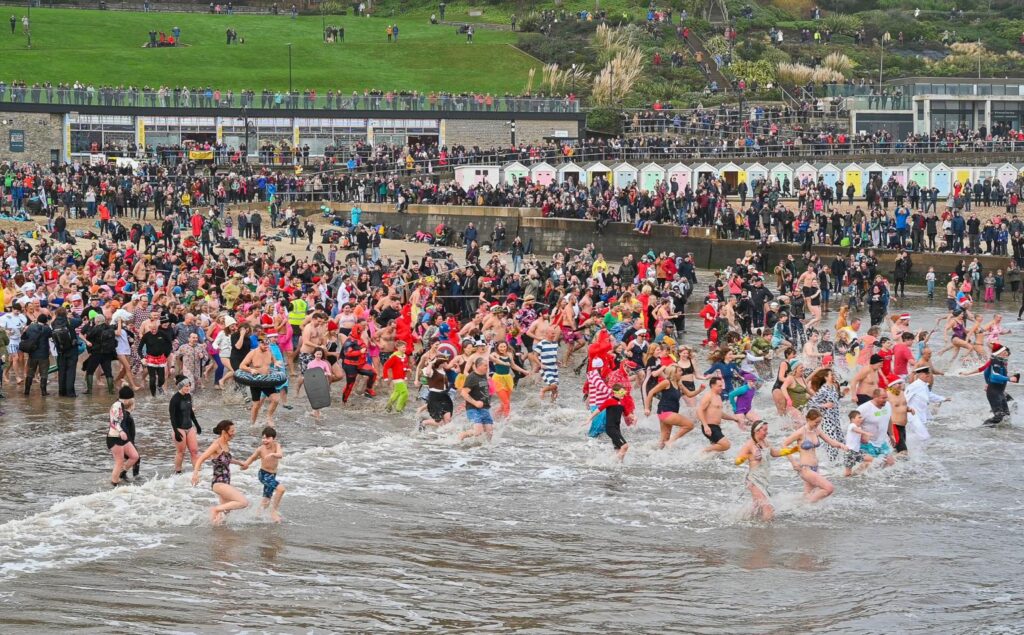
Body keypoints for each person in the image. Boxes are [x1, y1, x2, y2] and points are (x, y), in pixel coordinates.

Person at [734, 420, 797, 521]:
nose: (767, 432)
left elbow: (775, 453)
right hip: (753, 480)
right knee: (768, 508)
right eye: (765, 430)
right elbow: (736, 461)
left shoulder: (765, 442)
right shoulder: (749, 444)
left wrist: (792, 450)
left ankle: (743, 522)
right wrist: (745, 457)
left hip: (764, 479)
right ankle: (766, 532)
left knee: (757, 508)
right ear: (757, 431)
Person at [782, 409, 847, 503]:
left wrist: (841, 445)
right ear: (808, 419)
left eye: (819, 422)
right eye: (816, 422)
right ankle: (803, 506)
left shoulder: (817, 431)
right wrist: (793, 462)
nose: (817, 424)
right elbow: (784, 444)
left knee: (808, 495)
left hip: (815, 468)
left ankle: (795, 508)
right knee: (829, 488)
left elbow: (831, 442)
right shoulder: (800, 432)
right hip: (805, 469)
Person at [191, 420, 249, 525]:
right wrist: (195, 474)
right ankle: (215, 509)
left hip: (226, 481)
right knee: (243, 502)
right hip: (219, 482)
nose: (234, 433)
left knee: (224, 517)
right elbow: (201, 458)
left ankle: (218, 535)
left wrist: (240, 463)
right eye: (232, 431)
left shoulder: (226, 444)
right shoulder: (216, 445)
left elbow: (225, 459)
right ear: (223, 432)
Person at [241, 426, 286, 523]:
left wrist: (272, 454)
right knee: (281, 489)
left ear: (273, 439)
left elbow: (280, 455)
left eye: (268, 438)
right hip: (263, 474)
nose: (265, 440)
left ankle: (255, 517)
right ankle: (273, 511)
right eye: (263, 438)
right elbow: (252, 457)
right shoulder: (260, 449)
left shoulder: (276, 445)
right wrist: (246, 465)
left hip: (272, 475)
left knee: (266, 501)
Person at [239, 335, 283, 426]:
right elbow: (242, 366)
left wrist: (276, 363)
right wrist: (251, 370)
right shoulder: (253, 353)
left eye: (267, 345)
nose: (266, 347)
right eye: (264, 345)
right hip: (255, 381)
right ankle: (252, 424)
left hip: (267, 380)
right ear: (259, 343)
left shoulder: (269, 351)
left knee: (276, 399)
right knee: (256, 405)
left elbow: (274, 361)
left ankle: (269, 417)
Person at [695, 377, 740, 453]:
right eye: (719, 386)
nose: (722, 388)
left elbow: (720, 414)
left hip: (716, 427)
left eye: (722, 385)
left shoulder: (718, 397)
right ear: (712, 385)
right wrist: (705, 426)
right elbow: (699, 410)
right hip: (710, 427)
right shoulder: (708, 396)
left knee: (716, 452)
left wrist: (734, 419)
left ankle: (703, 457)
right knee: (726, 445)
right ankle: (702, 451)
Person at [107, 386, 140, 486]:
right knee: (119, 461)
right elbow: (113, 422)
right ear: (127, 399)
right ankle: (114, 483)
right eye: (131, 399)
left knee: (135, 456)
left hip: (122, 437)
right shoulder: (116, 406)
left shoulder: (121, 405)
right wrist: (121, 431)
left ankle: (121, 473)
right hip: (114, 437)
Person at [169, 374, 202, 473]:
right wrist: (176, 431)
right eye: (186, 386)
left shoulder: (188, 396)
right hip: (179, 429)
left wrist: (197, 425)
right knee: (181, 452)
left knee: (194, 451)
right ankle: (178, 472)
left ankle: (197, 472)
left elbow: (190, 413)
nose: (188, 388)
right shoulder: (174, 399)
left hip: (190, 427)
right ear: (180, 386)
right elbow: (172, 417)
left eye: (189, 386)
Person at [590, 383, 631, 461]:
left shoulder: (622, 403)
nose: (623, 395)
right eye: (621, 392)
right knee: (625, 446)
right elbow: (598, 410)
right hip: (610, 428)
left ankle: (619, 465)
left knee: (619, 449)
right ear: (615, 392)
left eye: (624, 392)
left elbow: (627, 415)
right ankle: (610, 461)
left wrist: (633, 418)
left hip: (617, 429)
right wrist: (589, 419)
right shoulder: (609, 401)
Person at [457, 356, 494, 442]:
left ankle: (485, 451)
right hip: (473, 408)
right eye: (485, 366)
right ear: (479, 366)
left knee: (490, 433)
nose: (487, 367)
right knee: (478, 432)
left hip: (484, 408)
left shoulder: (484, 375)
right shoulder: (472, 377)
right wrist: (475, 402)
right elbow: (463, 393)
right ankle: (462, 435)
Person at [22, 314, 53, 396]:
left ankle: (27, 390)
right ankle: (43, 391)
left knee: (30, 372)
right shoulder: (47, 329)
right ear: (46, 321)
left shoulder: (31, 327)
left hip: (32, 354)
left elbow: (25, 337)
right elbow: (51, 335)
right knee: (44, 373)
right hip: (44, 355)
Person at [842, 410, 874, 477]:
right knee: (847, 473)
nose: (861, 419)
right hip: (849, 452)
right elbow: (855, 429)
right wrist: (865, 433)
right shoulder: (851, 425)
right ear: (852, 419)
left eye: (861, 417)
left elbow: (863, 441)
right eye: (859, 417)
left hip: (857, 452)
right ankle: (846, 483)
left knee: (870, 459)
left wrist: (866, 439)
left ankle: (856, 473)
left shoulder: (859, 427)